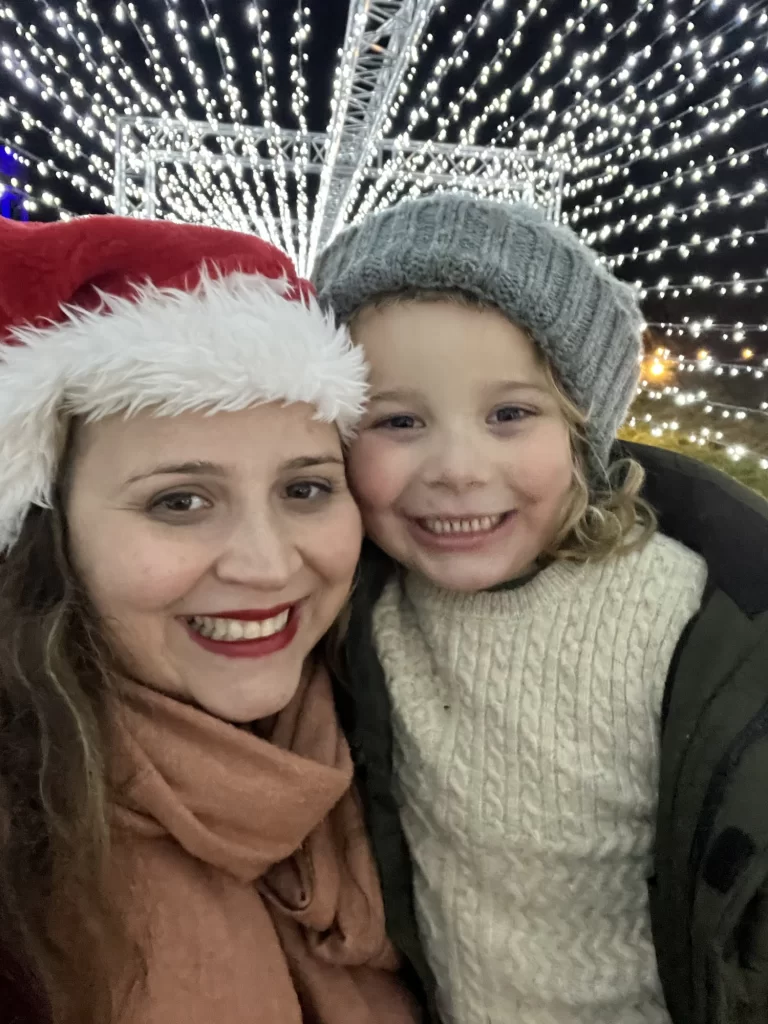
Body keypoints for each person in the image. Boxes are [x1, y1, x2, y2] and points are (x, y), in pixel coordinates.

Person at [313, 192, 768, 1024]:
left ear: (581, 431)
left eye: (510, 414)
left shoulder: (688, 617)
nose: (457, 467)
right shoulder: (355, 608)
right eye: (399, 419)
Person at [0, 215, 424, 1024]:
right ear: (51, 536)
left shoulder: (401, 744)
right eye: (180, 501)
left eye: (305, 489)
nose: (267, 566)